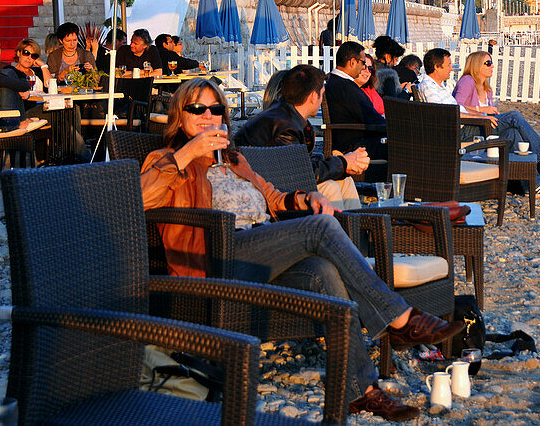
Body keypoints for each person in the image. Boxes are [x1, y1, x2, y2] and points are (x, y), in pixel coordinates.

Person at [140, 78, 462, 420]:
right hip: (214, 260)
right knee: (322, 227)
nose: (207, 115)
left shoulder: (235, 160)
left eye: (215, 108)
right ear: (180, 115)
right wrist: (189, 153)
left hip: (260, 250)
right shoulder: (164, 159)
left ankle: (361, 391)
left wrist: (307, 197)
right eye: (196, 109)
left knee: (324, 273)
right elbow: (139, 199)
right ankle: (399, 319)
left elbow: (274, 198)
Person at [234, 65, 368, 209]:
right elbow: (300, 172)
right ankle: (334, 229)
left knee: (345, 181)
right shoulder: (285, 126)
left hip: (279, 179)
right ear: (313, 96)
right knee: (329, 187)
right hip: (266, 189)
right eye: (322, 94)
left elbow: (300, 162)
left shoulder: (286, 115)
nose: (322, 99)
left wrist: (345, 163)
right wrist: (343, 162)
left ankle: (354, 227)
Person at [454, 50, 540, 197]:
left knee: (513, 134)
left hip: (484, 128)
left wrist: (488, 114)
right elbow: (455, 108)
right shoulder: (467, 81)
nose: (492, 66)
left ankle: (533, 186)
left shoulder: (487, 89)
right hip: (467, 130)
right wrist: (481, 110)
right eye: (488, 63)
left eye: (492, 62)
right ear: (476, 66)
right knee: (514, 116)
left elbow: (489, 115)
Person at [322, 42, 386, 165]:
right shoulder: (346, 87)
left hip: (347, 142)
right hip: (356, 147)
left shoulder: (334, 82)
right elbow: (373, 120)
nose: (363, 68)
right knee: (405, 147)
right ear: (352, 62)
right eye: (362, 63)